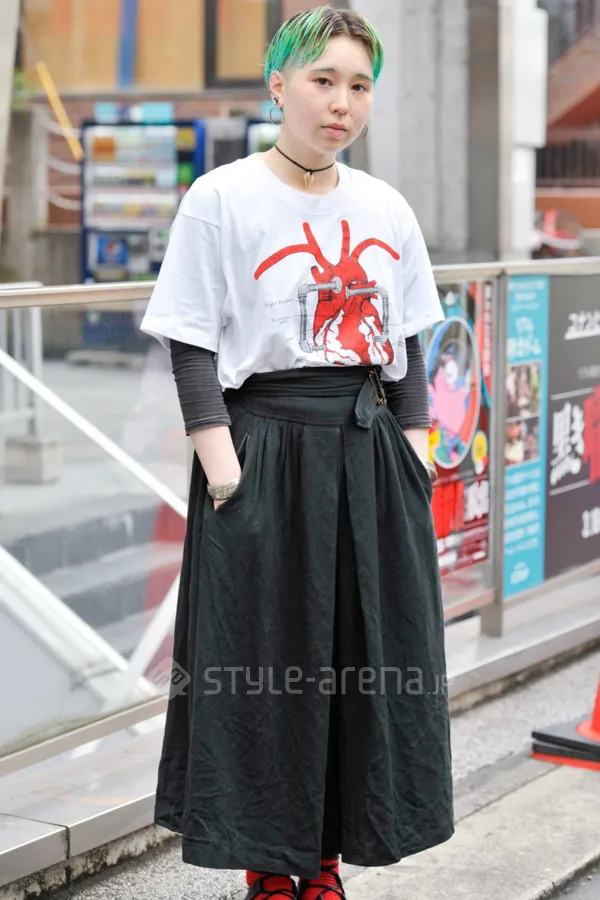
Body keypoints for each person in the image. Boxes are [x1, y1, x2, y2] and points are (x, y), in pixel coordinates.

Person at [139, 7, 454, 900]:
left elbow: (409, 341)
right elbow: (191, 342)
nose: (342, 102)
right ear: (278, 86)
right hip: (263, 450)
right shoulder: (221, 198)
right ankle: (267, 866)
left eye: (359, 85)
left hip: (367, 447)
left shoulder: (385, 206)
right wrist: (223, 469)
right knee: (263, 666)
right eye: (323, 81)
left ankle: (323, 864)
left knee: (363, 662)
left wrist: (414, 453)